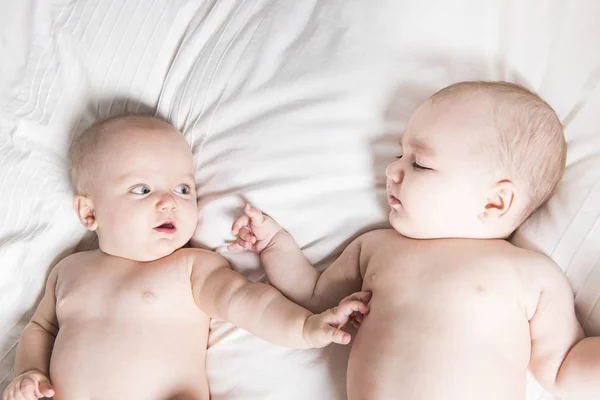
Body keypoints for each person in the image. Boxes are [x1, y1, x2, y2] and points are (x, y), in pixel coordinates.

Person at [229, 81, 600, 399]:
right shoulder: (377, 247)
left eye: (419, 163)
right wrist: (273, 243)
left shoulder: (529, 274)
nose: (391, 170)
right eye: (398, 155)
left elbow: (564, 365)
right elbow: (312, 295)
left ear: (494, 201)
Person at [2, 115, 370, 400]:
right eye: (142, 189)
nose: (169, 201)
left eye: (183, 188)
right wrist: (27, 374)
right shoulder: (68, 270)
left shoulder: (191, 267)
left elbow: (248, 303)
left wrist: (305, 328)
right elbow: (41, 329)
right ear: (88, 213)